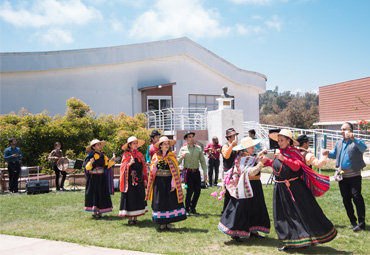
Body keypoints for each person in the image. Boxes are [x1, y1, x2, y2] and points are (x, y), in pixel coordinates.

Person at [262, 129, 336, 251]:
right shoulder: (280, 152)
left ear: (288, 141)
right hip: (281, 189)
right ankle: (290, 241)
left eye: (282, 140)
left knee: (299, 214)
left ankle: (302, 239)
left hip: (294, 189)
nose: (279, 143)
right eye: (278, 140)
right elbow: (278, 167)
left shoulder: (294, 152)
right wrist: (267, 162)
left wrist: (283, 158)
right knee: (284, 216)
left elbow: (297, 166)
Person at [218, 137, 270, 242]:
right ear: (245, 149)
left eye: (253, 146)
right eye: (251, 147)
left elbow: (254, 159)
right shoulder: (242, 159)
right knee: (241, 209)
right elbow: (250, 172)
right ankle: (235, 232)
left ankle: (253, 230)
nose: (253, 148)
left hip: (254, 185)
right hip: (244, 186)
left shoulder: (248, 156)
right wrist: (261, 164)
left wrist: (260, 156)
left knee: (254, 208)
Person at [325, 122, 367, 232]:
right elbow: (335, 154)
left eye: (344, 129)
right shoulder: (339, 142)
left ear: (351, 131)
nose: (341, 131)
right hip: (342, 176)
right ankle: (352, 221)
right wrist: (328, 153)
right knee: (346, 199)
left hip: (354, 174)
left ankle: (362, 223)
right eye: (341, 129)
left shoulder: (357, 141)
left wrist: (354, 138)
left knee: (356, 196)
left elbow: (363, 148)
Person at [146, 136, 187, 230]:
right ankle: (161, 223)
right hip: (159, 182)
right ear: (160, 146)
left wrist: (173, 185)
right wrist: (155, 164)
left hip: (169, 182)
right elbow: (152, 171)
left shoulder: (172, 156)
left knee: (169, 202)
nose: (167, 145)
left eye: (167, 144)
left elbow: (175, 172)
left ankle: (168, 223)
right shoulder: (156, 156)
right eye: (164, 144)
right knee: (160, 202)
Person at [83, 139, 115, 219]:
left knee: (101, 193)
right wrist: (90, 162)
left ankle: (100, 211)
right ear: (93, 147)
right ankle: (94, 211)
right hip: (93, 178)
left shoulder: (103, 156)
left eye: (100, 144)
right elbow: (86, 167)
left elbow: (106, 166)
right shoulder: (90, 156)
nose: (100, 146)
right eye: (98, 145)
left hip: (101, 178)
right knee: (94, 194)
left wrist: (112, 161)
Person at [119, 136, 148, 224]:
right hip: (129, 180)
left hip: (139, 179)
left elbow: (143, 168)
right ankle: (130, 218)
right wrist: (129, 164)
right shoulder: (126, 155)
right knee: (131, 197)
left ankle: (136, 217)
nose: (136, 145)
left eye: (136, 143)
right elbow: (122, 168)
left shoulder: (140, 155)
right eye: (134, 143)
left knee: (138, 197)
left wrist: (144, 178)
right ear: (129, 145)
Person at [178, 131, 207, 216]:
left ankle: (193, 207)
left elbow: (202, 161)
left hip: (197, 172)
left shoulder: (198, 148)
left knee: (198, 191)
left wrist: (205, 172)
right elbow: (178, 162)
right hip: (188, 173)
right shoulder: (183, 149)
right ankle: (186, 209)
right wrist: (181, 157)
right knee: (189, 191)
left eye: (192, 136)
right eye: (189, 137)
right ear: (186, 139)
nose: (191, 138)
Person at [221, 128, 239, 214]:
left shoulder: (236, 146)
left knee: (235, 191)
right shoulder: (225, 146)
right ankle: (225, 211)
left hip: (235, 171)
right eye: (234, 136)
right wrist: (232, 146)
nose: (235, 137)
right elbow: (226, 156)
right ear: (229, 137)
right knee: (228, 192)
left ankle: (233, 210)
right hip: (228, 171)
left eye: (236, 135)